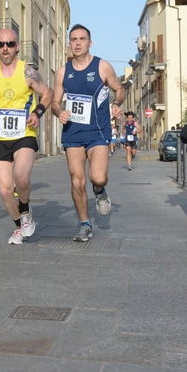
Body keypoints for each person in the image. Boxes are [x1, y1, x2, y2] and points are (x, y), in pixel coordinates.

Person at [0, 28, 53, 245]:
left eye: (10, 44)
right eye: (1, 44)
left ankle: (26, 210)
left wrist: (38, 113)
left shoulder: (28, 72)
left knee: (21, 178)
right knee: (5, 190)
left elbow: (47, 93)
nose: (5, 48)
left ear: (17, 46)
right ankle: (20, 226)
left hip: (24, 134)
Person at [52, 24, 125, 242]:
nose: (77, 43)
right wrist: (59, 112)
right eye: (73, 39)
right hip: (73, 133)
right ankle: (85, 224)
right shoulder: (63, 72)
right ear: (69, 44)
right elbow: (55, 102)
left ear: (89, 43)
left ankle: (100, 191)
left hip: (98, 132)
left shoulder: (102, 67)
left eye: (82, 39)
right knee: (76, 181)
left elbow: (119, 89)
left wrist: (117, 104)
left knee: (98, 177)